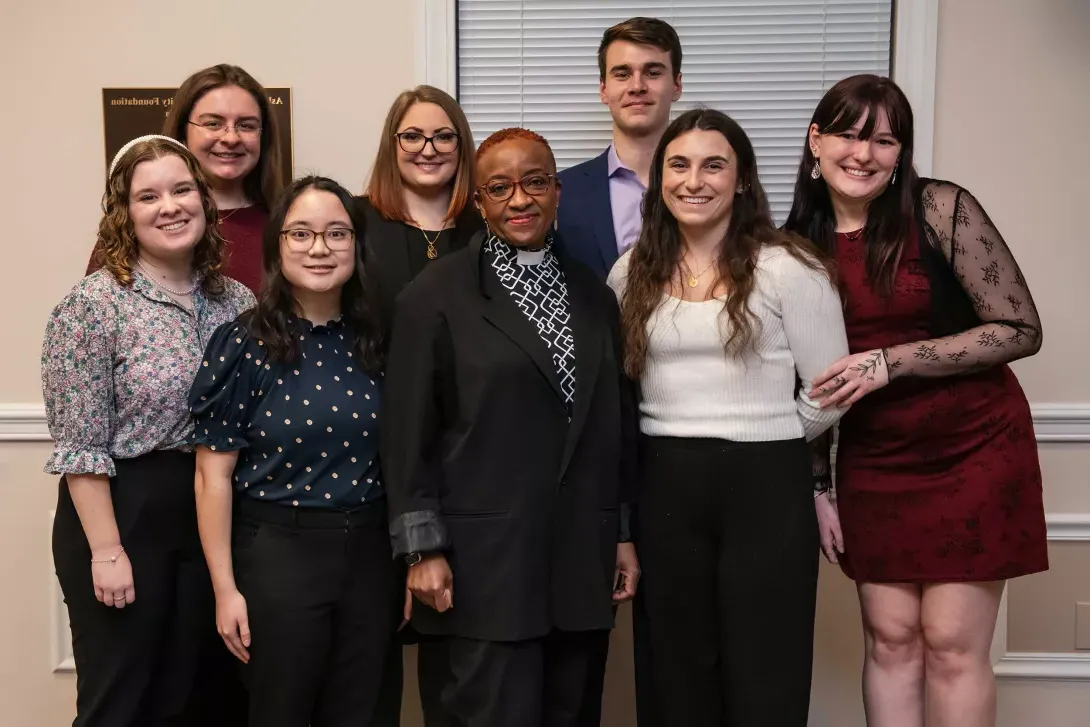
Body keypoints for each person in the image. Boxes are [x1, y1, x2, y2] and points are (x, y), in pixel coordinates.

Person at [785, 74, 1047, 727]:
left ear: (900, 152)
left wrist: (890, 362)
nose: (863, 153)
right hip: (875, 457)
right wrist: (818, 484)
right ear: (815, 141)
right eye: (847, 133)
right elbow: (803, 376)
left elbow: (1019, 327)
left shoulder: (941, 208)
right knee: (892, 638)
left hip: (975, 447)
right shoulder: (790, 244)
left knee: (953, 644)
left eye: (883, 139)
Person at [382, 127, 640, 727]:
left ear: (557, 191)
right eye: (499, 188)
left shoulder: (595, 296)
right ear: (479, 201)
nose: (519, 199)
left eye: (534, 182)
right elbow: (407, 432)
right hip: (482, 569)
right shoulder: (436, 296)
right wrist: (421, 548)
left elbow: (613, 425)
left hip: (579, 560)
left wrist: (621, 530)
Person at [608, 108, 849, 726]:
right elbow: (617, 391)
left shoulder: (791, 269)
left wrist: (774, 435)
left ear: (741, 180)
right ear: (660, 178)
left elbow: (835, 387)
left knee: (765, 661)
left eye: (714, 165)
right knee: (674, 662)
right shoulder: (630, 272)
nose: (695, 180)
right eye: (679, 165)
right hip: (663, 479)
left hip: (766, 482)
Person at [43, 135, 256, 727]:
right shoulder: (92, 306)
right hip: (123, 513)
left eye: (183, 189)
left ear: (205, 202)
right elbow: (80, 447)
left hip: (212, 513)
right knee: (124, 696)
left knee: (205, 692)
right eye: (148, 196)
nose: (170, 206)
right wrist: (107, 551)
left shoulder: (234, 301)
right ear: (123, 213)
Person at [189, 176, 400, 727]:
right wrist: (225, 590)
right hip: (278, 559)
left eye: (336, 233)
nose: (320, 248)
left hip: (372, 557)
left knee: (366, 712)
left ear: (357, 244)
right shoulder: (243, 345)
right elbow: (211, 479)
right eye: (300, 234)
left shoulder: (383, 340)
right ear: (277, 247)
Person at [88, 64, 283, 293]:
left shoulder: (288, 226)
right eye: (213, 123)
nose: (231, 137)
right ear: (182, 132)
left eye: (246, 125)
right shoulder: (137, 226)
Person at [556, 17, 683, 280]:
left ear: (677, 85)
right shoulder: (561, 192)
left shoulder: (708, 187)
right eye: (622, 74)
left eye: (653, 72)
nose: (637, 86)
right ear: (604, 89)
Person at [358, 85, 482, 324]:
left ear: (462, 145)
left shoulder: (486, 232)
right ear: (391, 145)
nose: (428, 150)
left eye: (444, 137)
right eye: (412, 137)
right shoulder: (355, 220)